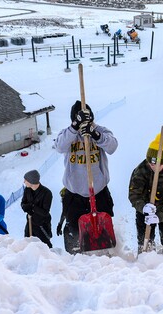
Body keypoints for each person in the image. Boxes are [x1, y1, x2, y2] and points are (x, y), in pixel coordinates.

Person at [54, 100, 118, 253]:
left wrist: (95, 134)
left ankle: (105, 255)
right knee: (74, 231)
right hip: (74, 194)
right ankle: (76, 260)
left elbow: (113, 146)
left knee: (101, 227)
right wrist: (75, 126)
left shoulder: (101, 131)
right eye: (79, 119)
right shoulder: (68, 135)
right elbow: (59, 146)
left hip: (99, 192)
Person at [128, 133, 163, 256]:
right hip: (146, 210)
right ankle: (144, 263)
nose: (152, 166)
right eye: (150, 163)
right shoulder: (141, 170)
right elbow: (134, 194)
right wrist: (143, 207)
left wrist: (159, 216)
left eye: (156, 164)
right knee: (145, 243)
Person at [21, 170, 54, 248]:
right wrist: (26, 208)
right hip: (30, 222)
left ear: (31, 181)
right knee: (27, 244)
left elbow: (45, 212)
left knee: (45, 246)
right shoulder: (27, 190)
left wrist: (32, 207)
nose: (24, 182)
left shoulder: (46, 193)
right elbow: (23, 203)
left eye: (25, 180)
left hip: (41, 224)